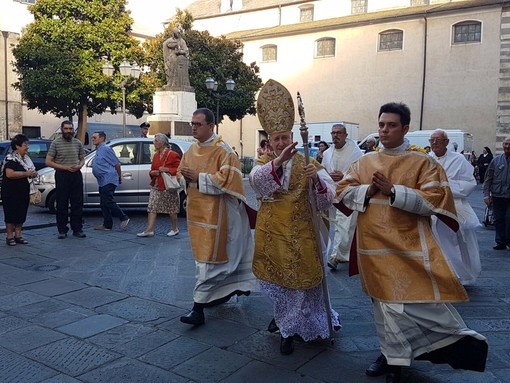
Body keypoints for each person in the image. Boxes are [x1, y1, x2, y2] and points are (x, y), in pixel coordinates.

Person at [336, 102, 487, 383]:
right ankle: (390, 355)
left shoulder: (423, 163)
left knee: (407, 302)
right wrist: (368, 189)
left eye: (391, 125)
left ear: (405, 128)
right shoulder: (364, 162)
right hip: (371, 246)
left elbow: (435, 200)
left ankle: (413, 353)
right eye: (381, 124)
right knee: (382, 304)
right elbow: (342, 191)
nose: (384, 130)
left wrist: (394, 191)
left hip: (407, 247)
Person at [250, 79, 340, 355]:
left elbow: (328, 197)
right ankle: (285, 323)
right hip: (273, 233)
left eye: (285, 137)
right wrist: (278, 163)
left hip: (303, 233)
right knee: (283, 283)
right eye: (276, 139)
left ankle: (291, 329)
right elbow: (257, 183)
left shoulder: (308, 163)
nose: (282, 142)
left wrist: (318, 181)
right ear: (270, 142)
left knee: (302, 285)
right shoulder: (264, 164)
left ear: (292, 137)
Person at [177, 107, 256, 326]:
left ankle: (197, 309)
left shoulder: (224, 151)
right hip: (196, 214)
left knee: (209, 262)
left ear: (211, 126)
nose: (193, 127)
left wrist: (199, 177)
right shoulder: (191, 150)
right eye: (192, 124)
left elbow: (229, 179)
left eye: (197, 124)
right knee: (204, 262)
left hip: (219, 216)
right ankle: (223, 293)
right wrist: (182, 177)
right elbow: (181, 174)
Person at [429, 129, 481, 285]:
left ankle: (457, 274)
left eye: (438, 140)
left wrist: (446, 187)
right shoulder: (426, 159)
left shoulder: (458, 160)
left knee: (453, 242)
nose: (434, 143)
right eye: (432, 140)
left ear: (446, 142)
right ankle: (438, 274)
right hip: (431, 207)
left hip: (452, 206)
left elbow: (470, 183)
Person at [322, 123, 363, 269]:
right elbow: (322, 171)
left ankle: (335, 257)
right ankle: (351, 252)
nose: (335, 136)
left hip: (348, 192)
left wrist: (343, 175)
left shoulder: (355, 152)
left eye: (339, 133)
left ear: (345, 135)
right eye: (333, 133)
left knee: (342, 224)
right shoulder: (328, 153)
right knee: (339, 225)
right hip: (332, 192)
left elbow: (361, 172)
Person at [46, 120, 86, 239]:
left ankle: (77, 229)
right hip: (62, 175)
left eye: (70, 129)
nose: (69, 131)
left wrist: (80, 165)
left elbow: (82, 159)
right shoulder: (55, 143)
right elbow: (48, 161)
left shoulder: (78, 143)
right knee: (62, 202)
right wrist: (64, 167)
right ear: (62, 129)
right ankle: (62, 229)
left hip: (76, 175)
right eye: (66, 129)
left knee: (77, 203)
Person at [137, 133, 181, 238]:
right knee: (152, 207)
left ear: (163, 143)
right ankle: (149, 230)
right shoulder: (156, 155)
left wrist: (167, 170)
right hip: (156, 185)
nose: (154, 143)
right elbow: (152, 169)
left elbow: (179, 169)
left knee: (171, 209)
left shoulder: (172, 154)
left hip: (168, 186)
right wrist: (152, 173)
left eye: (156, 141)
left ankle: (175, 229)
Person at [1, 134, 38, 246]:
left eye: (27, 144)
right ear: (17, 146)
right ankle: (9, 236)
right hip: (10, 192)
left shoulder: (26, 159)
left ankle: (18, 235)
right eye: (25, 145)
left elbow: (31, 171)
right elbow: (10, 174)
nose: (27, 147)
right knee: (11, 213)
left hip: (23, 191)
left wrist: (33, 174)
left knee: (21, 213)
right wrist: (26, 173)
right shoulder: (10, 158)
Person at [91, 131, 130, 231]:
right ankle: (107, 225)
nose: (92, 139)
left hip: (109, 179)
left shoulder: (106, 149)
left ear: (101, 138)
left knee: (108, 201)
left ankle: (123, 217)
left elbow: (117, 164)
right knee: (103, 203)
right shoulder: (99, 149)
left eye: (94, 137)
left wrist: (119, 176)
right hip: (103, 180)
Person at [483, 137, 510, 250]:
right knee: (498, 219)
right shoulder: (496, 161)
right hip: (498, 195)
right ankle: (500, 241)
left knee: (509, 218)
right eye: (506, 144)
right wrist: (486, 195)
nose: (507, 146)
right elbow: (488, 179)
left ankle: (509, 240)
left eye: (509, 144)